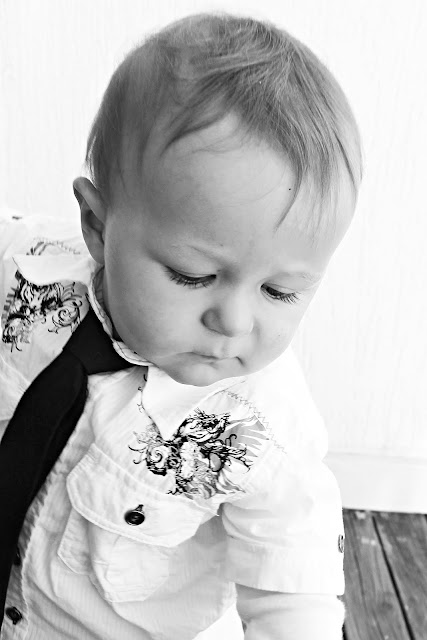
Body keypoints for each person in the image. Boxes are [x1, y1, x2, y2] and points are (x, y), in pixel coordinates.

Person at [0, 11, 362, 640]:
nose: (234, 320)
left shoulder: (263, 427)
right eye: (193, 275)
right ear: (98, 227)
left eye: (281, 291)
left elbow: (294, 594)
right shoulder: (25, 268)